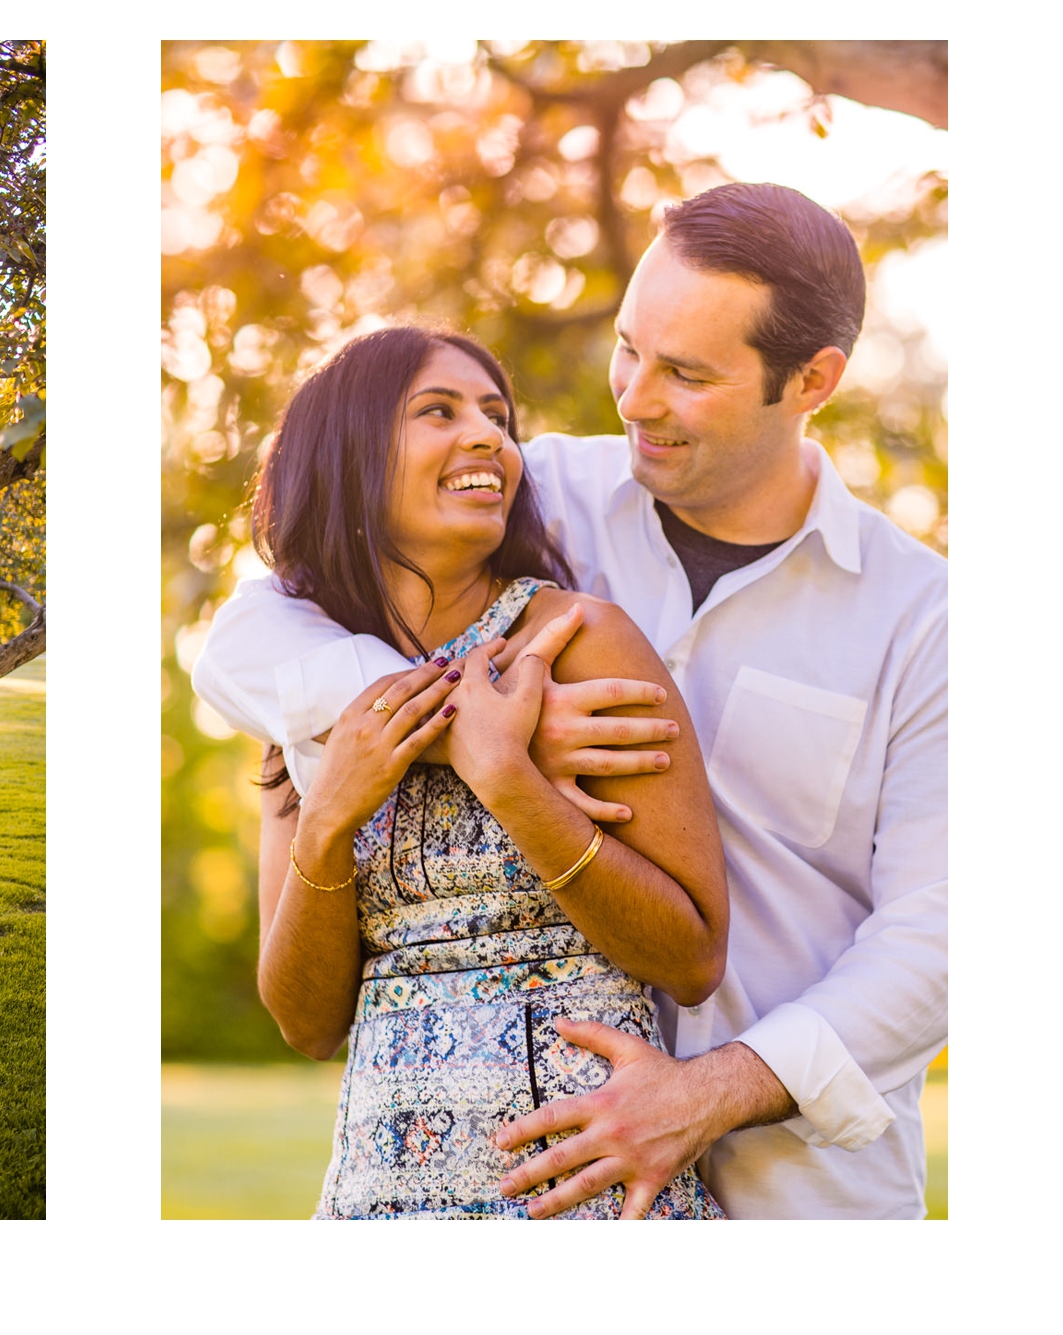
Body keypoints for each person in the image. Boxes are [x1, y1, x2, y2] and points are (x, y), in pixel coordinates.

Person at [193, 182, 948, 1219]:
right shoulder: (532, 492)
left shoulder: (925, 619)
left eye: (684, 373)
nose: (634, 397)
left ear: (811, 379)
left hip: (796, 1191)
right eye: (631, 348)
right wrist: (463, 720)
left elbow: (940, 938)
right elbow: (250, 630)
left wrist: (708, 1093)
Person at [242, 323, 729, 1219]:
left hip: (579, 1189)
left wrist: (510, 780)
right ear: (348, 456)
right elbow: (307, 1024)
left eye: (497, 417)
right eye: (438, 411)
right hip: (379, 1197)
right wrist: (329, 816)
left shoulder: (577, 643)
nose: (489, 438)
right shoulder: (313, 692)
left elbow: (693, 956)